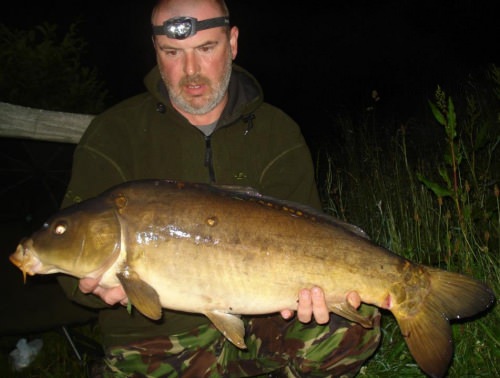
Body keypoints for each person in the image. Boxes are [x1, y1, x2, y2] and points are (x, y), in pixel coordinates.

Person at [58, 0, 381, 376]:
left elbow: (312, 233)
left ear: (232, 43)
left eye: (206, 49)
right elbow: (67, 267)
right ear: (156, 53)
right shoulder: (113, 134)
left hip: (263, 319)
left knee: (351, 326)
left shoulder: (277, 133)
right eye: (172, 53)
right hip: (152, 341)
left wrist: (317, 299)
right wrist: (92, 288)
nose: (191, 71)